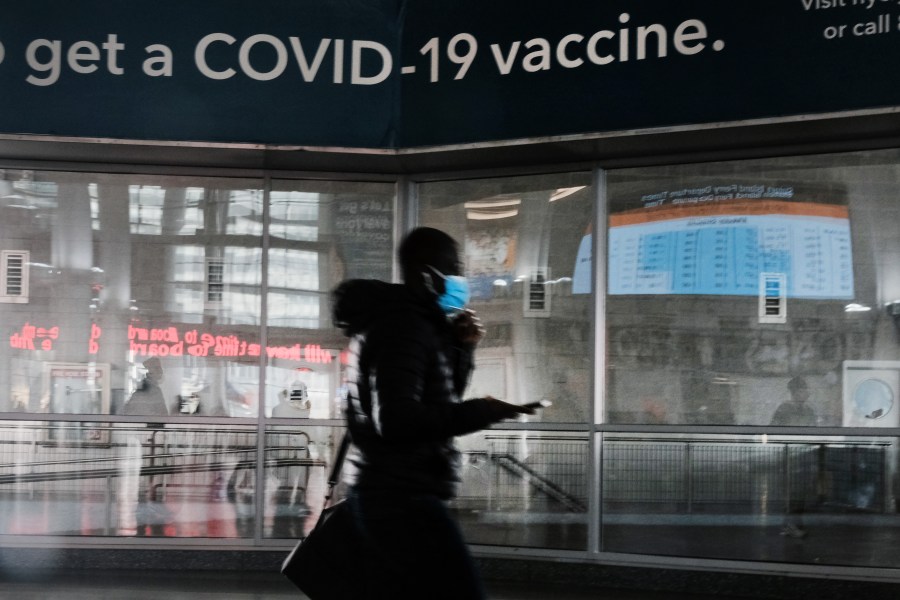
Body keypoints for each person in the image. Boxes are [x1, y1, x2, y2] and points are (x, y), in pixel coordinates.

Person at [331, 227, 533, 600]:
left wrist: (462, 348)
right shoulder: (402, 328)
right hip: (401, 497)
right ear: (428, 275)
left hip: (395, 493)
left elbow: (439, 400)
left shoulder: (415, 325)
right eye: (454, 268)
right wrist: (484, 410)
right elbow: (397, 420)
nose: (461, 279)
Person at [771, 376, 816, 539]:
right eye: (804, 390)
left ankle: (791, 524)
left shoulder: (808, 410)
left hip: (801, 456)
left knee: (799, 493)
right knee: (792, 493)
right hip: (790, 457)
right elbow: (774, 431)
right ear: (795, 392)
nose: (807, 393)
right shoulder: (785, 410)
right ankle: (791, 524)